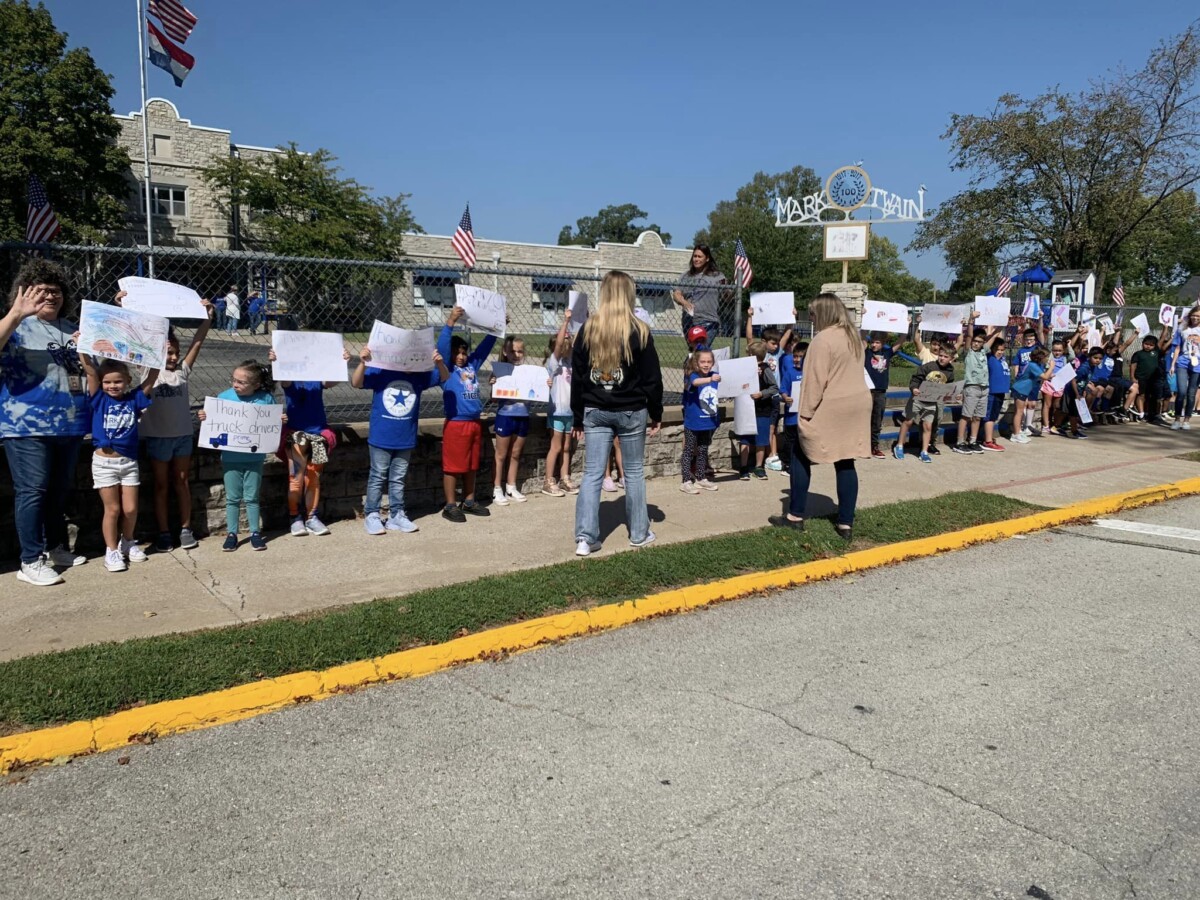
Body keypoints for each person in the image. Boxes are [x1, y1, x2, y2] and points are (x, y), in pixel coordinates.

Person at [0, 260, 89, 586]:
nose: (51, 296)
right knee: (33, 491)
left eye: (56, 291)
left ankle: (55, 547)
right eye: (42, 291)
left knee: (58, 491)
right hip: (26, 426)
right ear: (24, 293)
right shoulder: (15, 326)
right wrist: (15, 314)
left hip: (70, 424)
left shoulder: (72, 328)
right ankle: (30, 560)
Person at [571, 270, 663, 556]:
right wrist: (656, 411)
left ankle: (586, 538)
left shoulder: (588, 328)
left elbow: (579, 376)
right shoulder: (640, 331)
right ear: (629, 294)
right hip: (632, 410)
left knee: (592, 474)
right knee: (633, 472)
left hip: (596, 409)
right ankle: (638, 533)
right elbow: (652, 379)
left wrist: (577, 415)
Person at [769, 293, 870, 538]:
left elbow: (815, 381)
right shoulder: (853, 337)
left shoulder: (822, 340)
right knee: (846, 460)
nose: (811, 317)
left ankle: (795, 515)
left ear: (823, 313)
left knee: (799, 454)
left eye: (813, 313)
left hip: (831, 404)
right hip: (857, 403)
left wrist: (805, 414)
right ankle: (846, 522)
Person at [134, 294, 213, 552]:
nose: (173, 357)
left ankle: (186, 528)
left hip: (182, 437)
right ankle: (164, 532)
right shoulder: (148, 372)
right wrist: (122, 307)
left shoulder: (182, 372)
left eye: (175, 353)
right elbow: (131, 341)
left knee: (181, 481)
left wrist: (207, 318)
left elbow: (197, 343)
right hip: (158, 437)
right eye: (168, 352)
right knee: (160, 485)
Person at [76, 350, 159, 572]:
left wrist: (155, 349)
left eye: (118, 381)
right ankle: (111, 550)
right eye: (108, 382)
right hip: (104, 463)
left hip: (129, 462)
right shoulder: (99, 399)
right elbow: (91, 373)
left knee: (131, 509)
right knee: (112, 509)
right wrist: (82, 349)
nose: (113, 386)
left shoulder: (134, 399)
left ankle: (127, 541)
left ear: (128, 381)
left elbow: (152, 377)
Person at [351, 345, 445, 534]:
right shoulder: (381, 371)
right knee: (377, 476)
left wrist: (439, 363)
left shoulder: (419, 376)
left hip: (405, 437)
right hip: (381, 435)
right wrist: (363, 363)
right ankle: (372, 514)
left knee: (398, 478)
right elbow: (356, 383)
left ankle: (397, 514)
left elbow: (444, 377)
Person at [269, 346, 352, 536]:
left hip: (319, 434)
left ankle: (312, 517)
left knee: (313, 477)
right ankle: (295, 517)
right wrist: (277, 362)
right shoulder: (290, 380)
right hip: (296, 434)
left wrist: (342, 363)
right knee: (296, 478)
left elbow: (332, 381)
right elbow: (285, 380)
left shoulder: (317, 379)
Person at [196, 360, 277, 551]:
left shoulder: (265, 399)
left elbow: (272, 423)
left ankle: (255, 532)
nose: (235, 384)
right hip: (230, 457)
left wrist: (279, 419)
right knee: (232, 498)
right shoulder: (224, 397)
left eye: (241, 382)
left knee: (252, 497)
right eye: (234, 380)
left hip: (254, 457)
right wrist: (204, 417)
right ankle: (232, 533)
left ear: (256, 384)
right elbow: (213, 421)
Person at [436, 306, 496, 522]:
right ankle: (450, 504)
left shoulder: (471, 365)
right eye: (457, 353)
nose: (461, 357)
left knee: (471, 464)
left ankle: (469, 501)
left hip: (474, 423)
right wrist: (451, 321)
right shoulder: (446, 370)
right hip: (456, 424)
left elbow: (484, 349)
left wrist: (497, 329)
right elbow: (442, 347)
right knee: (453, 466)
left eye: (463, 352)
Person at [491, 336, 533, 506]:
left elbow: (536, 392)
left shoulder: (529, 372)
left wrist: (545, 384)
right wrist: (493, 384)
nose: (516, 354)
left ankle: (511, 486)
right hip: (505, 416)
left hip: (523, 416)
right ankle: (496, 489)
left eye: (520, 351)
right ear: (505, 352)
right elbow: (493, 400)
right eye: (512, 351)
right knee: (500, 455)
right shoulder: (500, 370)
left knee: (515, 454)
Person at [897, 346, 957, 463]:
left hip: (932, 402)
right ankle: (899, 445)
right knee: (908, 421)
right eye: (941, 355)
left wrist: (954, 395)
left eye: (945, 357)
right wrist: (914, 388)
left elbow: (948, 388)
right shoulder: (929, 366)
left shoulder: (950, 372)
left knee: (928, 426)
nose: (942, 358)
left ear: (951, 359)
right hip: (918, 398)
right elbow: (916, 378)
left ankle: (924, 451)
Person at [953, 320, 1001, 455]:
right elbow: (968, 336)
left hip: (984, 388)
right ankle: (960, 442)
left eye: (979, 341)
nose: (976, 343)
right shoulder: (969, 352)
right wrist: (971, 322)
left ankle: (972, 441)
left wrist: (1003, 320)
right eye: (975, 341)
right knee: (966, 415)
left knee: (978, 416)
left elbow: (996, 334)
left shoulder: (984, 351)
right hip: (972, 387)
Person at [543, 312, 577, 497]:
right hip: (557, 412)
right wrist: (566, 321)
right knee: (555, 447)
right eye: (565, 338)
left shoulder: (572, 363)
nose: (567, 342)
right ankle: (549, 480)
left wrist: (581, 321)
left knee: (566, 447)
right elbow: (559, 345)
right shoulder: (553, 364)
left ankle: (565, 477)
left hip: (569, 413)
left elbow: (579, 344)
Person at [680, 347, 720, 493]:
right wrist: (710, 379)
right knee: (689, 450)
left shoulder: (715, 375)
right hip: (693, 421)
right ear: (696, 363)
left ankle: (701, 477)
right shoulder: (692, 375)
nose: (706, 364)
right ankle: (685, 480)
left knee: (703, 449)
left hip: (707, 421)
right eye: (702, 361)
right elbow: (696, 382)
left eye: (709, 361)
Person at [737, 341, 779, 480]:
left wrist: (761, 393)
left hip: (762, 410)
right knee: (745, 439)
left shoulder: (766, 369)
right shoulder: (743, 369)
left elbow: (774, 387)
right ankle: (743, 467)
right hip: (746, 410)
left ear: (752, 355)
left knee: (761, 440)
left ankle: (759, 466)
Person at [671, 245, 726, 338]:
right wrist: (684, 302)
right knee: (694, 351)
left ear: (707, 258)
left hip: (709, 321)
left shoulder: (717, 276)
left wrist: (731, 292)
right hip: (689, 321)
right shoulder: (686, 276)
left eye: (699, 257)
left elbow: (726, 296)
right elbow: (676, 294)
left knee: (700, 349)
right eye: (694, 256)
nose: (696, 259)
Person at [1123, 327, 1172, 423]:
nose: (1148, 346)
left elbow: (1162, 338)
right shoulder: (1138, 354)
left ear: (1154, 346)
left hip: (1153, 379)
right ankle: (1142, 413)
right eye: (1146, 344)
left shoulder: (1156, 352)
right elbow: (1133, 366)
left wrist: (1165, 327)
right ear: (1142, 343)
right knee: (1141, 395)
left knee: (1154, 397)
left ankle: (1154, 415)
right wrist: (1132, 377)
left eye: (1151, 345)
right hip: (1141, 378)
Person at [864, 331, 895, 459]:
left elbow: (900, 341)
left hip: (880, 391)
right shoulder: (867, 353)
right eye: (872, 342)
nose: (874, 345)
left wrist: (908, 325)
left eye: (877, 342)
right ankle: (862, 446)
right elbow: (861, 339)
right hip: (867, 390)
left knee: (877, 421)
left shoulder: (887, 353)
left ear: (883, 344)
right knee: (865, 419)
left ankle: (874, 446)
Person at [1169, 305, 1200, 430]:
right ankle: (1177, 419)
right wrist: (1172, 364)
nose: (1195, 318)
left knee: (1191, 393)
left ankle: (1186, 420)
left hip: (1197, 364)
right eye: (1194, 315)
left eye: (1198, 316)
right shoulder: (1182, 329)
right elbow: (1177, 347)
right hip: (1182, 362)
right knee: (1181, 392)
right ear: (1190, 315)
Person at [981, 337, 1010, 450]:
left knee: (994, 416)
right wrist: (996, 329)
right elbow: (987, 344)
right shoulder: (989, 358)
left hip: (1000, 392)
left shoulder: (1002, 359)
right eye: (998, 350)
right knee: (990, 416)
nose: (1000, 352)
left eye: (1002, 350)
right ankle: (987, 441)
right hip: (992, 392)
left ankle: (989, 437)